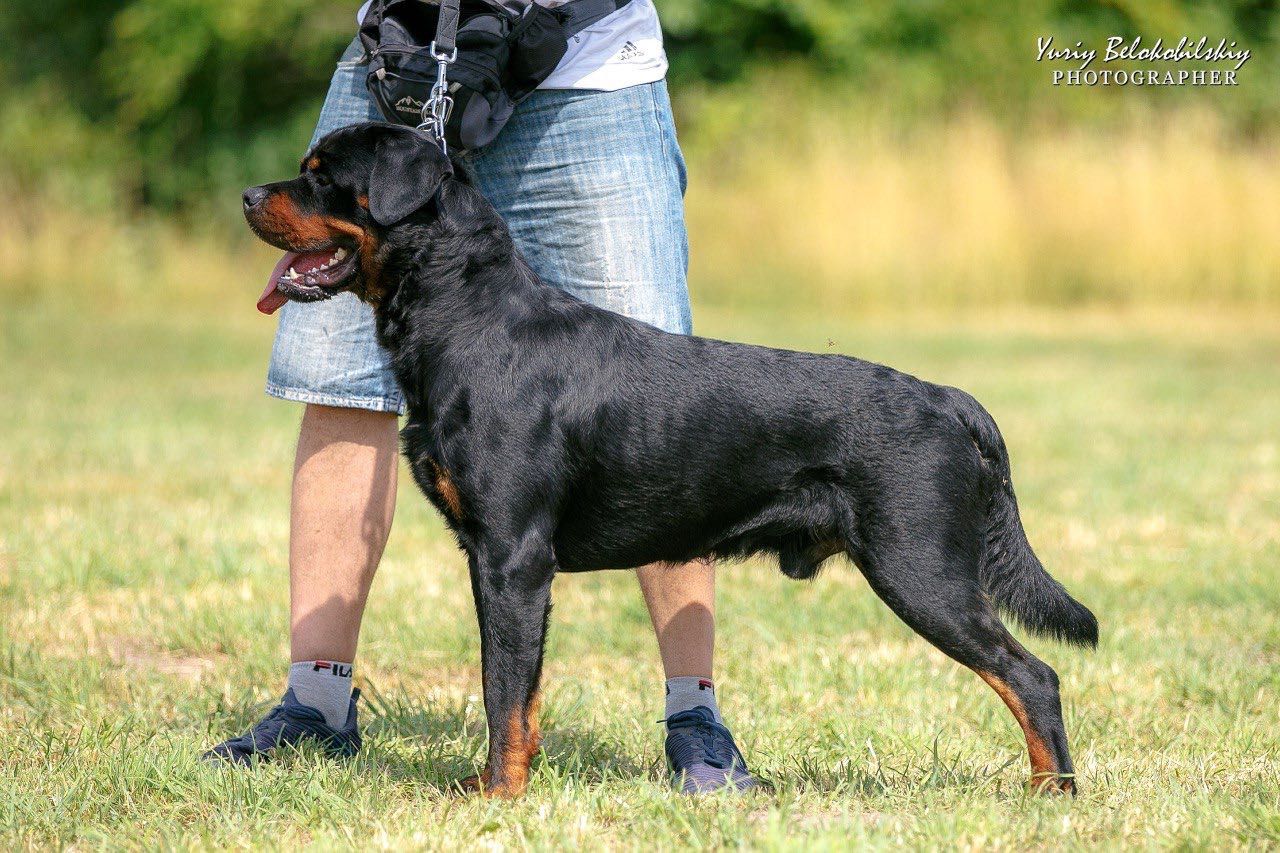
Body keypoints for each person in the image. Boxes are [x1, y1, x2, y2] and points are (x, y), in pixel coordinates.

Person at [203, 0, 757, 794]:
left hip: (587, 66)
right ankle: (316, 703)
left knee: (657, 396)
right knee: (338, 387)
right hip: (399, 60)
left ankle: (694, 719)